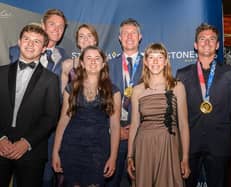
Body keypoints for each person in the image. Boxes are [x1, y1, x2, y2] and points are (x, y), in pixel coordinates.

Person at [176, 23, 231, 187]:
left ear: (218, 45)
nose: (207, 42)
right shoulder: (182, 75)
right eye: (202, 39)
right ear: (195, 45)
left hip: (219, 144)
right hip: (190, 143)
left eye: (212, 39)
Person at [0, 24, 60, 187]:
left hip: (31, 153)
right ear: (19, 42)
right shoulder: (1, 72)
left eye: (37, 41)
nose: (30, 44)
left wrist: (26, 142)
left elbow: (51, 117)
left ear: (43, 48)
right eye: (26, 39)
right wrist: (1, 139)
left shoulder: (51, 79)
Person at [52, 46, 121, 187]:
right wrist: (55, 151)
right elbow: (63, 121)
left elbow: (114, 127)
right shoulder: (71, 88)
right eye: (88, 58)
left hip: (99, 150)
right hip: (71, 147)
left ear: (103, 64)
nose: (93, 62)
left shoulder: (113, 91)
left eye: (97, 58)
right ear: (82, 63)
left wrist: (113, 157)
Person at [127, 43, 190, 187]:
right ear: (146, 61)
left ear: (166, 60)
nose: (155, 62)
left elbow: (184, 124)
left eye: (160, 57)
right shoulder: (137, 90)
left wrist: (185, 157)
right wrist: (130, 155)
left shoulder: (178, 87)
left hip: (169, 146)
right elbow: (135, 124)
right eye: (151, 57)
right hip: (144, 146)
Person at [107, 18, 143, 187]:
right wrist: (113, 129)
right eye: (125, 33)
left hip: (141, 138)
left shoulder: (152, 65)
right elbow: (101, 102)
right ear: (119, 38)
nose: (129, 36)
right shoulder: (106, 66)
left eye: (133, 33)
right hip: (112, 136)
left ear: (140, 37)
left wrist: (137, 127)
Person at [61, 23, 99, 92]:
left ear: (95, 41)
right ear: (78, 42)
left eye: (89, 35)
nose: (86, 39)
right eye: (81, 36)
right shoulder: (67, 65)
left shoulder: (105, 64)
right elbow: (63, 94)